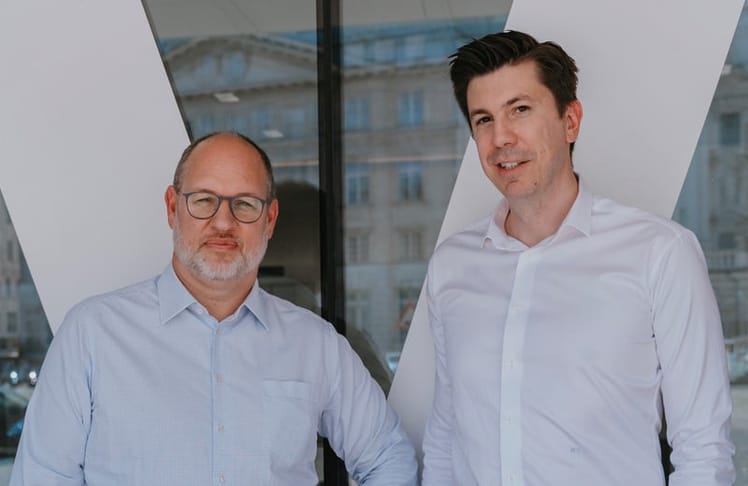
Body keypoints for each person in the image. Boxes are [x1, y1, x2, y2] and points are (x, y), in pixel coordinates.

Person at [10, 132, 417, 485]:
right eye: (203, 200)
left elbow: (389, 458)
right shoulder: (92, 335)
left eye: (244, 204)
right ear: (173, 208)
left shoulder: (315, 344)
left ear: (270, 219)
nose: (223, 223)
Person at [422, 30, 735, 485]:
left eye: (520, 110)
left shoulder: (659, 253)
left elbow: (704, 448)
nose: (501, 138)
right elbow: (447, 433)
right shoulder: (451, 266)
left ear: (571, 121)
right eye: (483, 119)